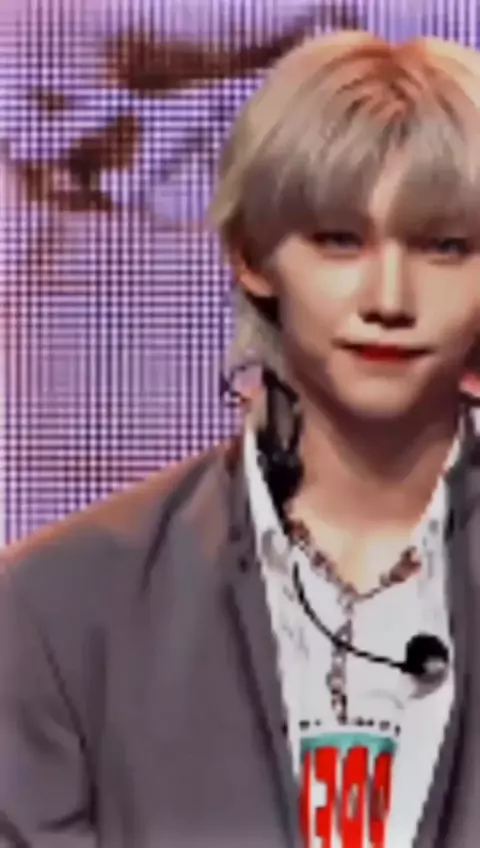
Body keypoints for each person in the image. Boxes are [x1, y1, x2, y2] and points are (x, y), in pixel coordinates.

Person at [3, 27, 480, 848]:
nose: (389, 298)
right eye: (339, 239)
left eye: (445, 247)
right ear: (253, 255)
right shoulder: (58, 607)